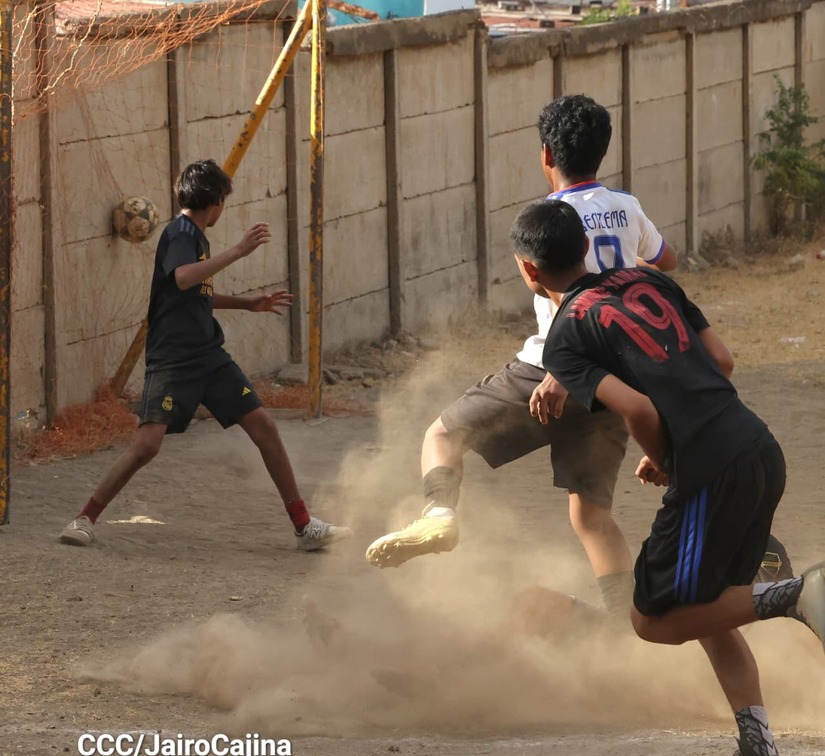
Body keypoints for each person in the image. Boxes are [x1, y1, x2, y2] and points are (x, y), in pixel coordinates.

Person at [511, 196, 825, 756]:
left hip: (711, 471)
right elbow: (722, 360)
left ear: (529, 271)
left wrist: (665, 458)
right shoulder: (645, 279)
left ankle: (797, 593)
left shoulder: (566, 338)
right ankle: (758, 755)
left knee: (650, 620)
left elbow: (637, 407)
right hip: (758, 446)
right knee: (708, 609)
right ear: (586, 246)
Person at [366, 95, 678, 624]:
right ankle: (626, 629)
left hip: (554, 368)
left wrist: (563, 362)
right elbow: (666, 260)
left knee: (443, 435)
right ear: (603, 151)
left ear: (546, 155)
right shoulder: (626, 207)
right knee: (592, 513)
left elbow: (560, 294)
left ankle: (440, 513)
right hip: (618, 378)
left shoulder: (546, 221)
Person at [60, 160, 350, 552]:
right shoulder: (181, 233)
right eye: (224, 201)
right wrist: (239, 250)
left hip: (209, 358)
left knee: (264, 427)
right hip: (173, 360)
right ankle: (84, 518)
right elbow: (182, 277)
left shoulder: (195, 238)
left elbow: (196, 291)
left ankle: (304, 526)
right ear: (214, 201)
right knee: (147, 446)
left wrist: (247, 304)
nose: (223, 208)